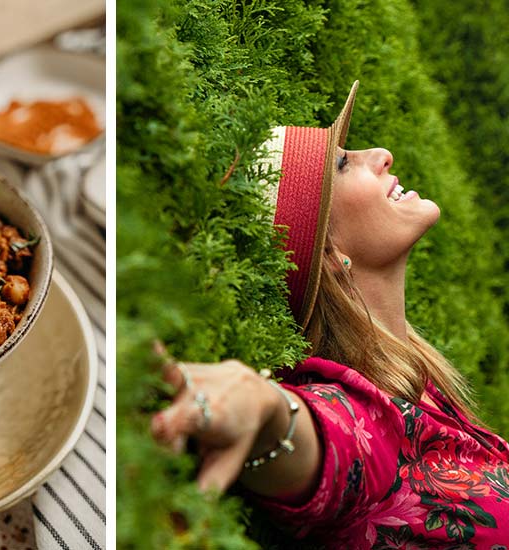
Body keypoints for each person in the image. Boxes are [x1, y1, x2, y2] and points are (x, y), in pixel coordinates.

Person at [150, 81, 509, 547]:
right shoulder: (360, 412)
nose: (381, 153)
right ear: (328, 254)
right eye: (343, 163)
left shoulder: (421, 386)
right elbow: (327, 438)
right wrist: (265, 409)